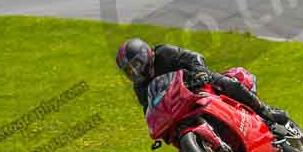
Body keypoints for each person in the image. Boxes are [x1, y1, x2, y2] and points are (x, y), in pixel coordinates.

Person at [116, 38, 289, 124]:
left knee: (226, 83)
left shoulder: (164, 53)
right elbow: (149, 108)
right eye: (130, 70)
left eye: (136, 64)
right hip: (179, 104)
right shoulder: (140, 86)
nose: (135, 71)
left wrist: (199, 72)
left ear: (146, 54)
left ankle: (265, 111)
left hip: (196, 83)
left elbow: (193, 57)